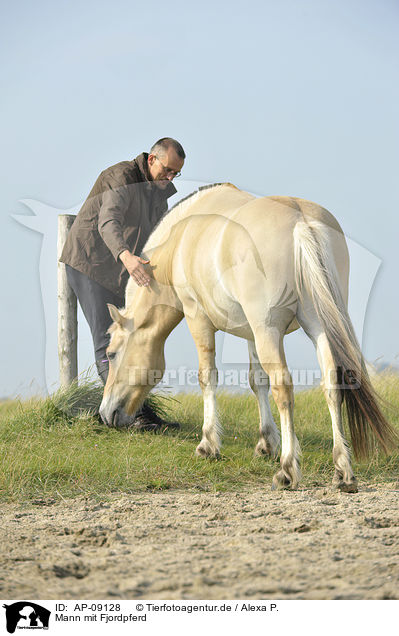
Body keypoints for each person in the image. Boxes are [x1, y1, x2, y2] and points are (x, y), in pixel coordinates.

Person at [60, 137, 185, 430]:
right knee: (110, 341)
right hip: (90, 264)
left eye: (176, 173)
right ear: (152, 159)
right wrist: (126, 255)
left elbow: (159, 237)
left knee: (132, 339)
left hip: (121, 272)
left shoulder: (159, 192)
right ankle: (126, 418)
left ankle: (137, 410)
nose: (171, 177)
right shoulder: (121, 177)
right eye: (167, 170)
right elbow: (108, 220)